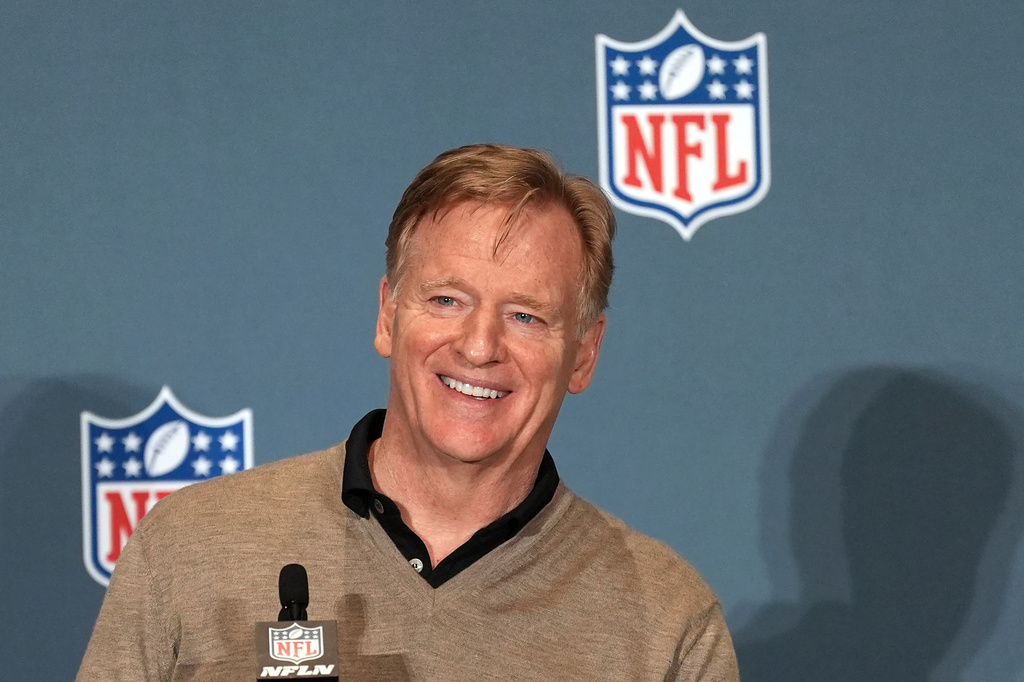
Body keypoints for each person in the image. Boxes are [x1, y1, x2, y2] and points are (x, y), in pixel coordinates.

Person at [77, 144, 740, 680]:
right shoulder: (190, 547)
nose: (479, 346)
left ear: (585, 354)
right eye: (448, 300)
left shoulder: (667, 626)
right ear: (389, 316)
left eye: (526, 316)